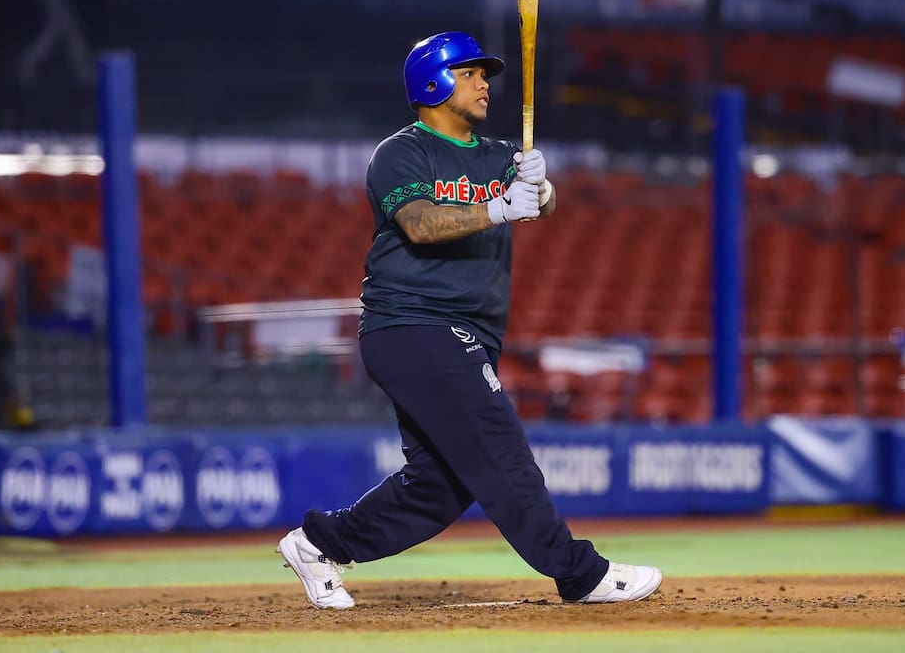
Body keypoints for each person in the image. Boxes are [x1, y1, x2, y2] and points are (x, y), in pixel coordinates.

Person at [276, 32, 661, 608]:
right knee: (499, 447)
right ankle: (579, 573)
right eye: (470, 73)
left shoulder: (497, 154)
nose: (485, 83)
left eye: (485, 74)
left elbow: (545, 203)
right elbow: (421, 224)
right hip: (412, 324)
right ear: (432, 81)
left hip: (465, 333)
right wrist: (502, 205)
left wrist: (539, 184)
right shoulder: (401, 153)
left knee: (441, 485)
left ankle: (318, 544)